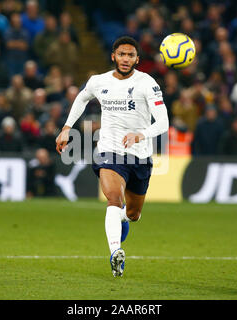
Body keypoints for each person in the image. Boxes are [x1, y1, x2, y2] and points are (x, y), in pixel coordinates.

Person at [55, 36, 169, 277]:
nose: (125, 59)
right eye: (121, 54)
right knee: (113, 198)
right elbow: (82, 97)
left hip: (139, 156)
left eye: (130, 55)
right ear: (113, 56)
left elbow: (163, 122)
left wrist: (142, 134)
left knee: (133, 214)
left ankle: (124, 220)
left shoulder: (147, 83)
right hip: (109, 151)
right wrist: (67, 127)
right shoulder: (99, 81)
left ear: (137, 59)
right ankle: (115, 252)